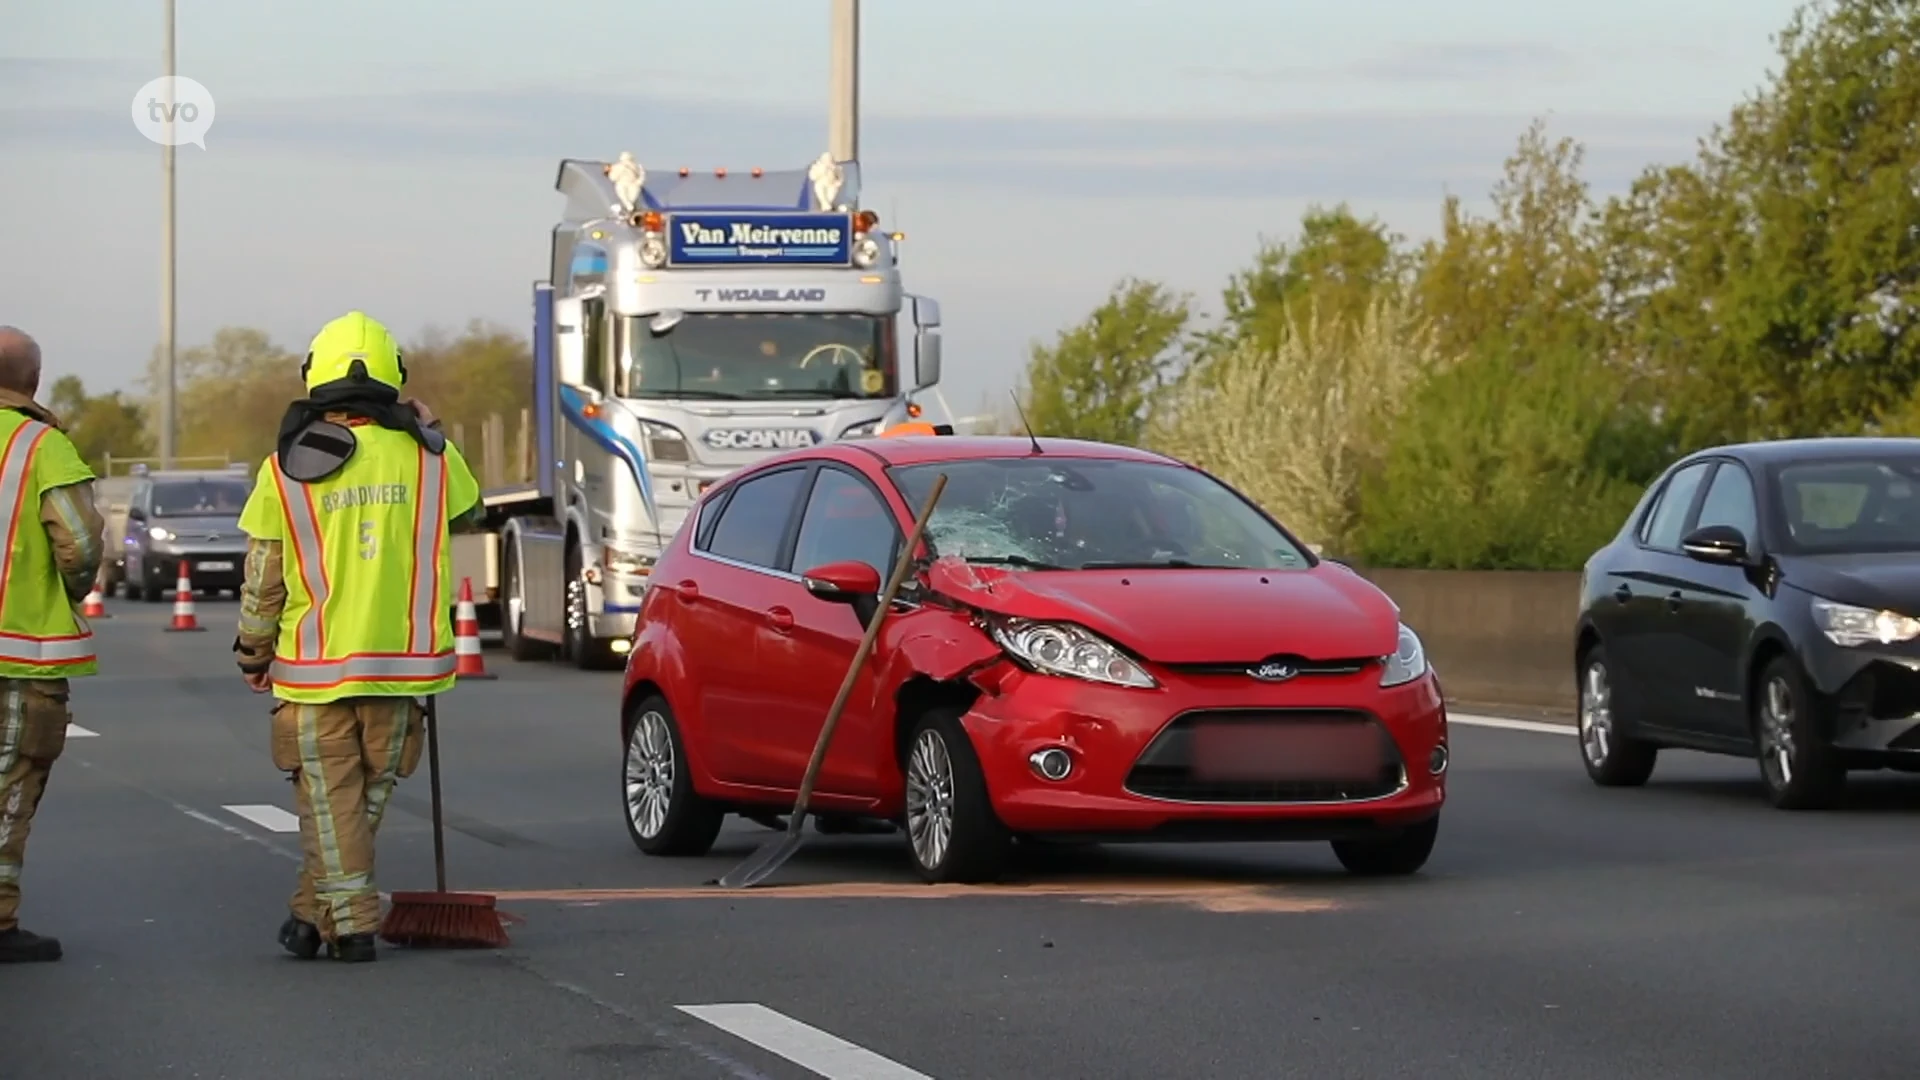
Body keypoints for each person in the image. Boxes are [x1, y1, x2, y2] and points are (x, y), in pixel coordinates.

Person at [232, 311, 481, 963]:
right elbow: (473, 510)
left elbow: (264, 575)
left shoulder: (285, 467)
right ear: (395, 378)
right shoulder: (433, 458)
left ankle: (350, 924)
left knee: (329, 799)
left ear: (314, 376)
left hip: (313, 669)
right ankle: (310, 916)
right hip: (404, 667)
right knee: (360, 801)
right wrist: (428, 431)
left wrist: (253, 651)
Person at [0, 327, 105, 964]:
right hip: (18, 653)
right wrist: (70, 585)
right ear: (33, 382)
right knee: (9, 787)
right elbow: (81, 543)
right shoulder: (41, 446)